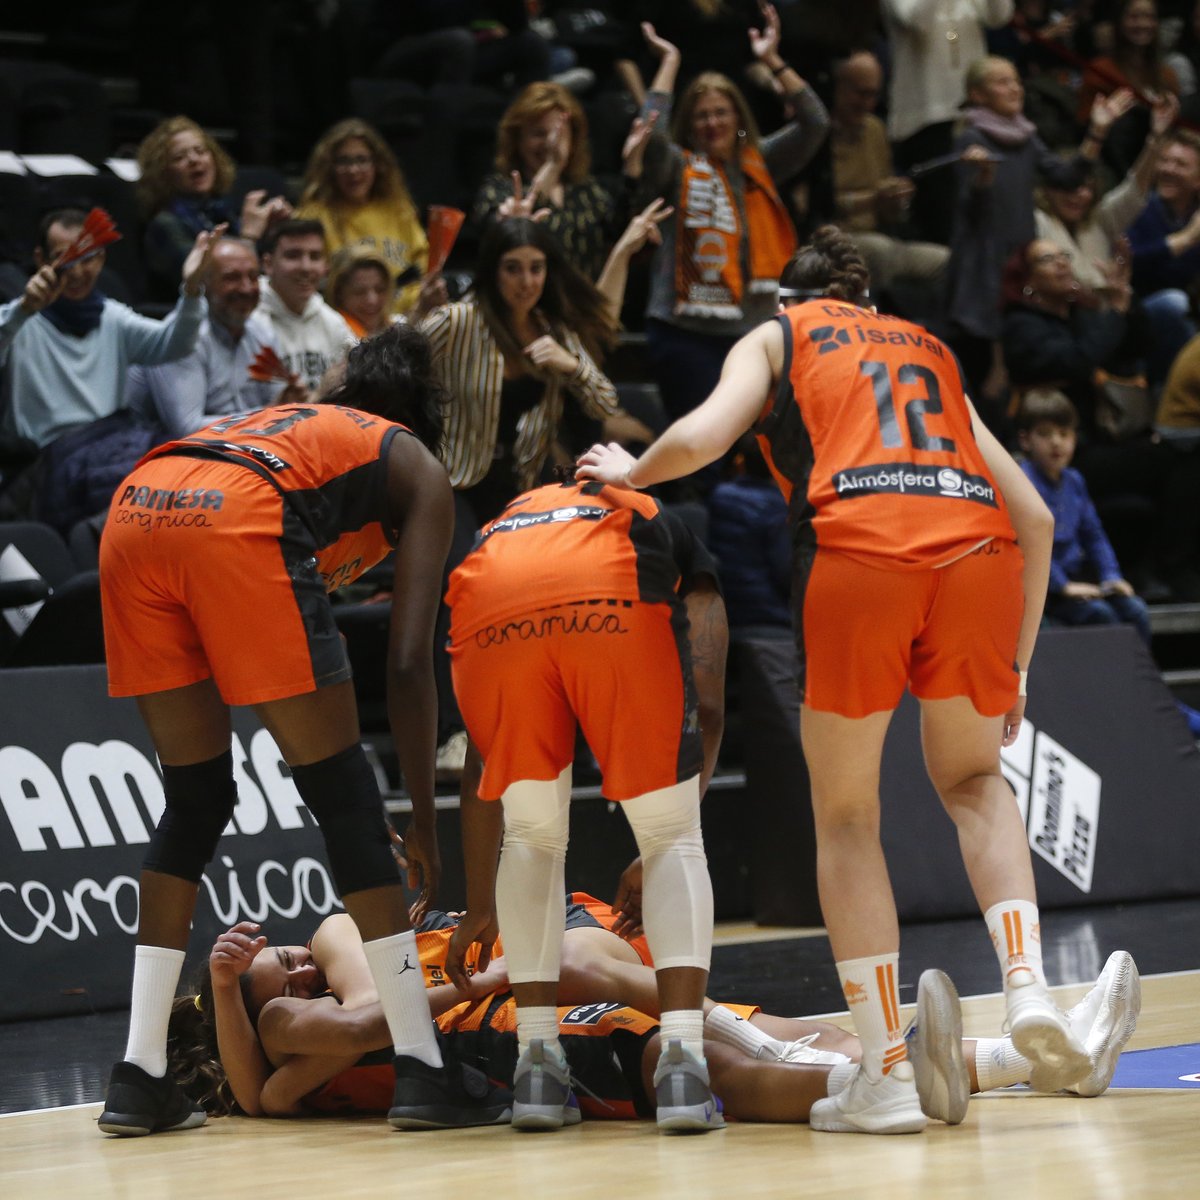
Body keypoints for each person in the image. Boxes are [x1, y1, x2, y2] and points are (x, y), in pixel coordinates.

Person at [577, 225, 1091, 1135]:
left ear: (790, 301)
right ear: (870, 301)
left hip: (863, 549)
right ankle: (1028, 991)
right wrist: (1017, 665)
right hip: (980, 558)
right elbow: (1040, 520)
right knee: (975, 782)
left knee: (849, 815)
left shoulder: (781, 334)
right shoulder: (929, 348)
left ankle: (886, 1076)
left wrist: (632, 470)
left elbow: (703, 433)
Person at [95, 326, 511, 1137]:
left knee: (195, 797)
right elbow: (407, 662)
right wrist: (425, 820)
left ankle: (141, 1073)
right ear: (420, 420)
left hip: (138, 505)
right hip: (237, 517)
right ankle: (424, 1067)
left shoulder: (300, 426)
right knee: (344, 795)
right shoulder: (415, 464)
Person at [171, 909, 1140, 1123]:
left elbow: (332, 1034)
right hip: (516, 1033)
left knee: (787, 1025)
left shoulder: (341, 950)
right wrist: (228, 991)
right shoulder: (298, 1030)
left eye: (286, 952)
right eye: (275, 973)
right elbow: (290, 1072)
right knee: (700, 1065)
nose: (294, 958)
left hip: (533, 992)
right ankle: (868, 1083)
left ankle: (1034, 1057)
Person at [441, 471, 728, 1132]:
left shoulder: (506, 526)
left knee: (533, 838)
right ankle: (682, 1065)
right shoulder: (664, 524)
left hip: (488, 600)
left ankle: (537, 1069)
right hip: (610, 601)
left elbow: (484, 760)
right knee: (674, 837)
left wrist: (481, 902)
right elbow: (708, 700)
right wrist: (672, 822)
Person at [635, 9, 827, 451]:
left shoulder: (759, 162)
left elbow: (815, 123)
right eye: (701, 115)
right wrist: (669, 64)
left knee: (764, 453)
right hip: (686, 336)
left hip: (756, 334)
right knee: (700, 455)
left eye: (722, 113)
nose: (713, 123)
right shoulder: (676, 167)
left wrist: (775, 61)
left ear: (737, 118)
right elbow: (650, 135)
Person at [420, 217, 618, 526]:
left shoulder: (555, 332)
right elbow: (394, 364)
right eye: (512, 269)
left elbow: (605, 403)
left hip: (522, 488)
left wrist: (572, 366)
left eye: (536, 268)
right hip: (454, 483)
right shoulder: (457, 321)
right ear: (492, 271)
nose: (526, 281)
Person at [0, 208, 212, 450]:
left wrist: (192, 289)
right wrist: (23, 311)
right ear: (41, 260)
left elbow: (176, 345)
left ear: (101, 259)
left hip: (110, 445)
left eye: (87, 259)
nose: (77, 272)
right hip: (45, 459)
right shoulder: (19, 319)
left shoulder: (113, 317)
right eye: (64, 260)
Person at [125, 236, 301, 438]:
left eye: (253, 277)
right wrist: (267, 415)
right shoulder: (181, 338)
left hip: (243, 447)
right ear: (203, 283)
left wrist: (290, 402)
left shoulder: (262, 333)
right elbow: (188, 429)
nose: (246, 288)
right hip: (165, 456)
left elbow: (278, 404)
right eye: (231, 278)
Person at [1016, 388, 1152, 643]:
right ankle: (1107, 681)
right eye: (1045, 434)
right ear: (1025, 441)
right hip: (1044, 589)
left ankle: (1136, 679)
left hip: (1077, 580)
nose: (1056, 442)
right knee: (1101, 615)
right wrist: (1063, 586)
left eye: (1064, 434)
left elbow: (1094, 535)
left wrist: (1111, 576)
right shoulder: (1021, 483)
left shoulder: (1074, 480)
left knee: (1136, 611)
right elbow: (1029, 547)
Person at [471, 81, 639, 281]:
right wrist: (552, 165)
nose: (550, 143)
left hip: (583, 306)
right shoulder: (499, 189)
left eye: (559, 135)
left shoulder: (587, 190)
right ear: (517, 137)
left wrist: (631, 169)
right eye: (538, 133)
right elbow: (512, 237)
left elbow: (618, 232)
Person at [882, 0, 1015, 245]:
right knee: (944, 220)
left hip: (974, 114)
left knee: (980, 207)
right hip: (925, 118)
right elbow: (917, 20)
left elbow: (999, 16)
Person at [828, 50, 949, 307]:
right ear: (838, 87)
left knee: (945, 260)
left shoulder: (875, 128)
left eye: (873, 94)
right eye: (859, 93)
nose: (867, 103)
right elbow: (819, 205)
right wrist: (873, 198)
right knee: (879, 251)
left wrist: (897, 199)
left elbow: (889, 210)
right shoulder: (818, 134)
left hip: (881, 236)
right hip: (835, 240)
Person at [295, 118, 446, 320]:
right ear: (329, 167)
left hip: (409, 317)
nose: (353, 170)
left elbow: (425, 269)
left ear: (377, 165)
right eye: (344, 161)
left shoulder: (398, 209)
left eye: (361, 160)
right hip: (346, 326)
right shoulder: (313, 216)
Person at [137, 115, 291, 302]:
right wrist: (250, 236)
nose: (194, 160)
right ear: (162, 173)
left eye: (200, 151)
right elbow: (211, 284)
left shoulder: (222, 210)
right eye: (179, 157)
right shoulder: (164, 224)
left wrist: (273, 232)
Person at [1127, 128, 1200, 383]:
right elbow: (1128, 262)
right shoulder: (1139, 207)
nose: (1168, 169)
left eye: (1180, 164)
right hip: (1134, 311)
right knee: (1174, 303)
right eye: (1164, 160)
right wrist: (1184, 241)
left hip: (1186, 314)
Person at [253, 219, 354, 394]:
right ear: (268, 264)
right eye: (293, 255)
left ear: (325, 267)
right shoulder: (247, 317)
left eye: (314, 257)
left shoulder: (333, 323)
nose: (306, 267)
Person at [325, 246, 399, 340]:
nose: (372, 300)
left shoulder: (398, 324)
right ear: (339, 293)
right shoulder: (330, 335)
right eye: (359, 292)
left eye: (380, 289)